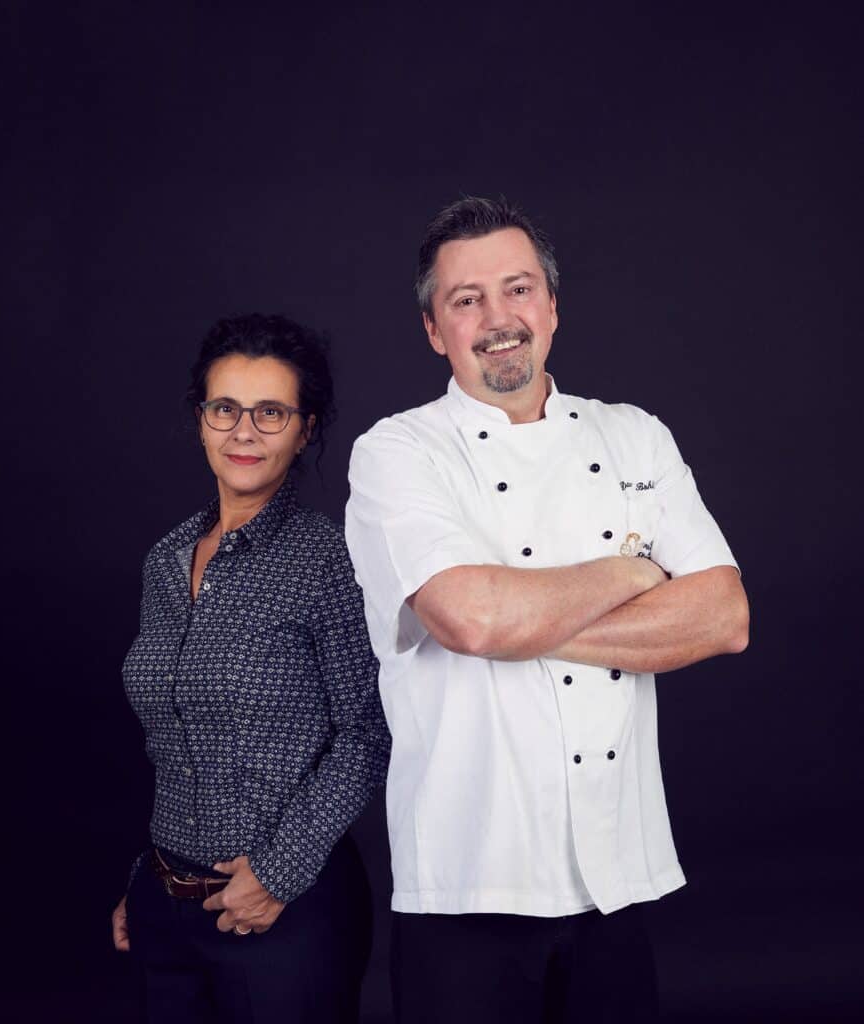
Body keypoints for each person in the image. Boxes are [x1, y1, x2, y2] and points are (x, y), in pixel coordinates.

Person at [344, 197, 750, 1023]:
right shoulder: (398, 452)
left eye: (518, 289)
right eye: (467, 299)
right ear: (433, 329)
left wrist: (518, 616)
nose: (498, 318)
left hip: (615, 874)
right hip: (465, 882)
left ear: (552, 307)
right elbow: (472, 620)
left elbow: (722, 617)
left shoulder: (634, 436)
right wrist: (634, 570)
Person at [113, 313, 390, 1024]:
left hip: (286, 911)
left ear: (304, 429)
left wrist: (277, 871)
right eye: (225, 409)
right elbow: (174, 738)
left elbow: (369, 731)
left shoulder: (329, 560)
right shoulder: (165, 560)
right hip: (163, 910)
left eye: (270, 412)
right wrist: (149, 879)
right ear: (200, 421)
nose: (244, 432)